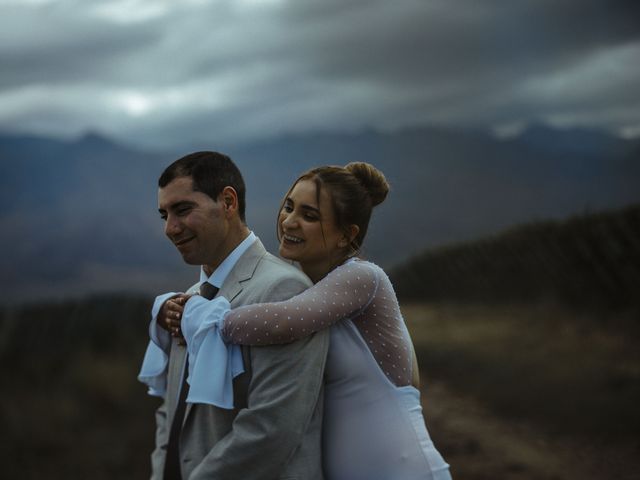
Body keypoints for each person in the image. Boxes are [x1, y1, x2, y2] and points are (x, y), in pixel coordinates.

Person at [176, 162, 452, 480]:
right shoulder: (301, 286)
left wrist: (203, 315)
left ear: (347, 235)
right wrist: (178, 307)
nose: (290, 222)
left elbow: (283, 323)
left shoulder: (363, 277)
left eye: (310, 216)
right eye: (289, 207)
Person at [138, 151, 330, 480]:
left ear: (228, 202)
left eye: (183, 210)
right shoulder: (189, 300)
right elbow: (171, 412)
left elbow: (271, 431)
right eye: (164, 215)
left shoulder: (283, 291)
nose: (170, 228)